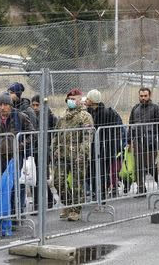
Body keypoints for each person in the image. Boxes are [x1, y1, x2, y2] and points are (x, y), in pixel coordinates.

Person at [0, 92, 34, 228]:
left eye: (5, 105)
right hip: (0, 156)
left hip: (15, 156)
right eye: (0, 105)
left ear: (10, 105)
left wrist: (20, 146)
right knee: (1, 185)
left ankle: (17, 213)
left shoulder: (20, 117)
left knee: (15, 185)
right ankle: (5, 215)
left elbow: (32, 134)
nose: (2, 108)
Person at [51, 88, 94, 221]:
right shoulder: (63, 116)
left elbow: (87, 137)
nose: (71, 101)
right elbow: (56, 135)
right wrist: (54, 150)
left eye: (73, 99)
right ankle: (68, 203)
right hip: (63, 155)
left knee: (78, 184)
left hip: (78, 156)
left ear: (80, 101)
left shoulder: (85, 116)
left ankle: (76, 209)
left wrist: (82, 154)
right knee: (58, 181)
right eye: (69, 98)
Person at [85, 89, 124, 201]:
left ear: (92, 100)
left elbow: (106, 132)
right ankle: (98, 192)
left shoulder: (105, 113)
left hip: (105, 149)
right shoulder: (90, 112)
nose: (86, 100)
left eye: (88, 98)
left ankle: (101, 195)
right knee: (92, 172)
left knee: (102, 172)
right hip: (94, 148)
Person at [128, 87, 159, 195]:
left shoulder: (155, 108)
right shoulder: (135, 108)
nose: (143, 98)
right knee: (139, 166)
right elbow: (131, 125)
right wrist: (129, 141)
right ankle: (141, 189)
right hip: (138, 142)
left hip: (151, 142)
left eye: (145, 96)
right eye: (141, 96)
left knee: (150, 166)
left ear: (149, 96)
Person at [30, 94, 56, 210]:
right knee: (35, 176)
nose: (35, 107)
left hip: (45, 149)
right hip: (34, 149)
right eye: (33, 105)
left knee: (42, 176)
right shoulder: (31, 116)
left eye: (37, 105)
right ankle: (50, 199)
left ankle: (40, 204)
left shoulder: (48, 116)